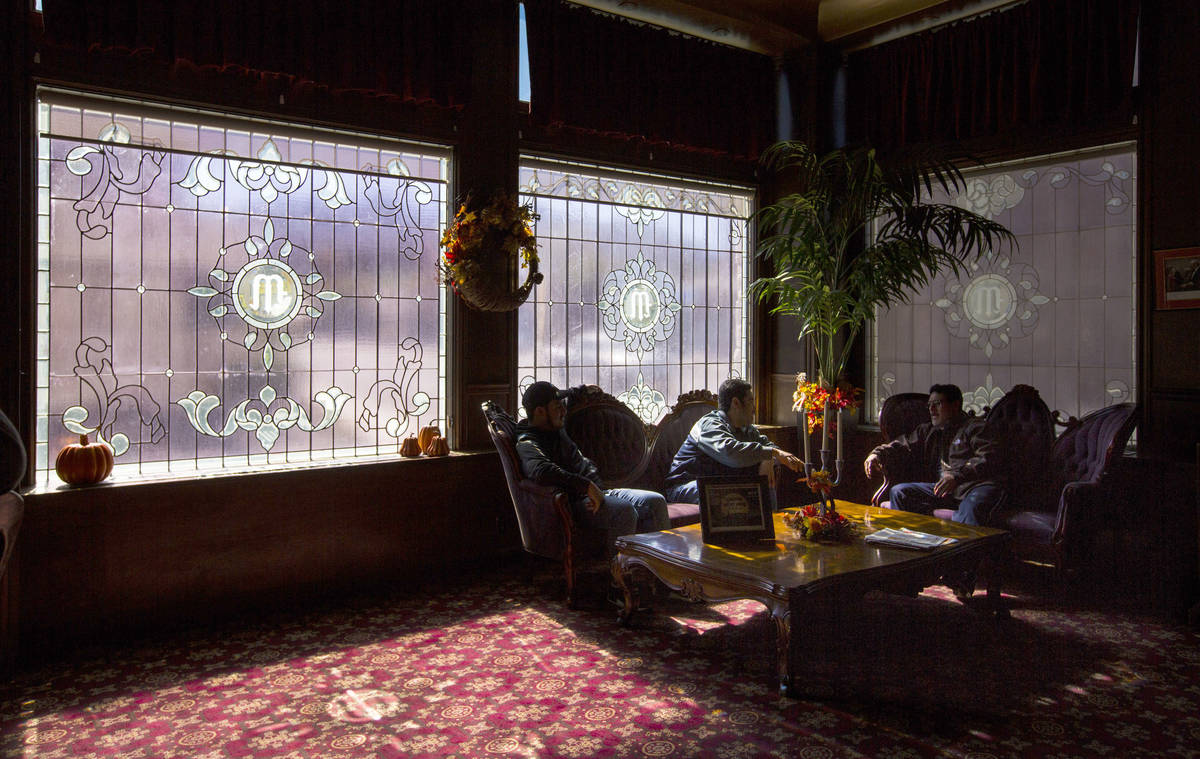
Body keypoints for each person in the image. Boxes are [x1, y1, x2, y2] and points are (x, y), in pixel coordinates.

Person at [515, 381, 670, 552]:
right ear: (540, 411)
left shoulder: (554, 425)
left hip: (601, 491)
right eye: (557, 407)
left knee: (656, 501)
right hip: (577, 503)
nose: (564, 411)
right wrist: (587, 486)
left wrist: (584, 389)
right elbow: (541, 471)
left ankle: (656, 568)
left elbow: (571, 394)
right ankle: (619, 573)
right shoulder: (528, 442)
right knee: (624, 511)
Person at [863, 383, 1005, 526]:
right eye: (929, 405)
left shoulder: (975, 427)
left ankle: (965, 547)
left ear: (955, 405)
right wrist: (877, 454)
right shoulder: (928, 430)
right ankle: (913, 541)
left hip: (976, 486)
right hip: (946, 489)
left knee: (971, 510)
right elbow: (901, 445)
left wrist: (957, 476)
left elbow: (987, 457)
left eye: (937, 404)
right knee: (900, 492)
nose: (931, 409)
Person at [662, 378, 803, 507]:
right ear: (736, 403)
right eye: (750, 401)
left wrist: (769, 458)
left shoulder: (746, 429)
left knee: (760, 484)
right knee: (720, 492)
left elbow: (768, 446)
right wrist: (771, 453)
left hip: (718, 484)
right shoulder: (709, 425)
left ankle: (772, 529)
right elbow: (731, 453)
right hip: (684, 486)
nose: (754, 408)